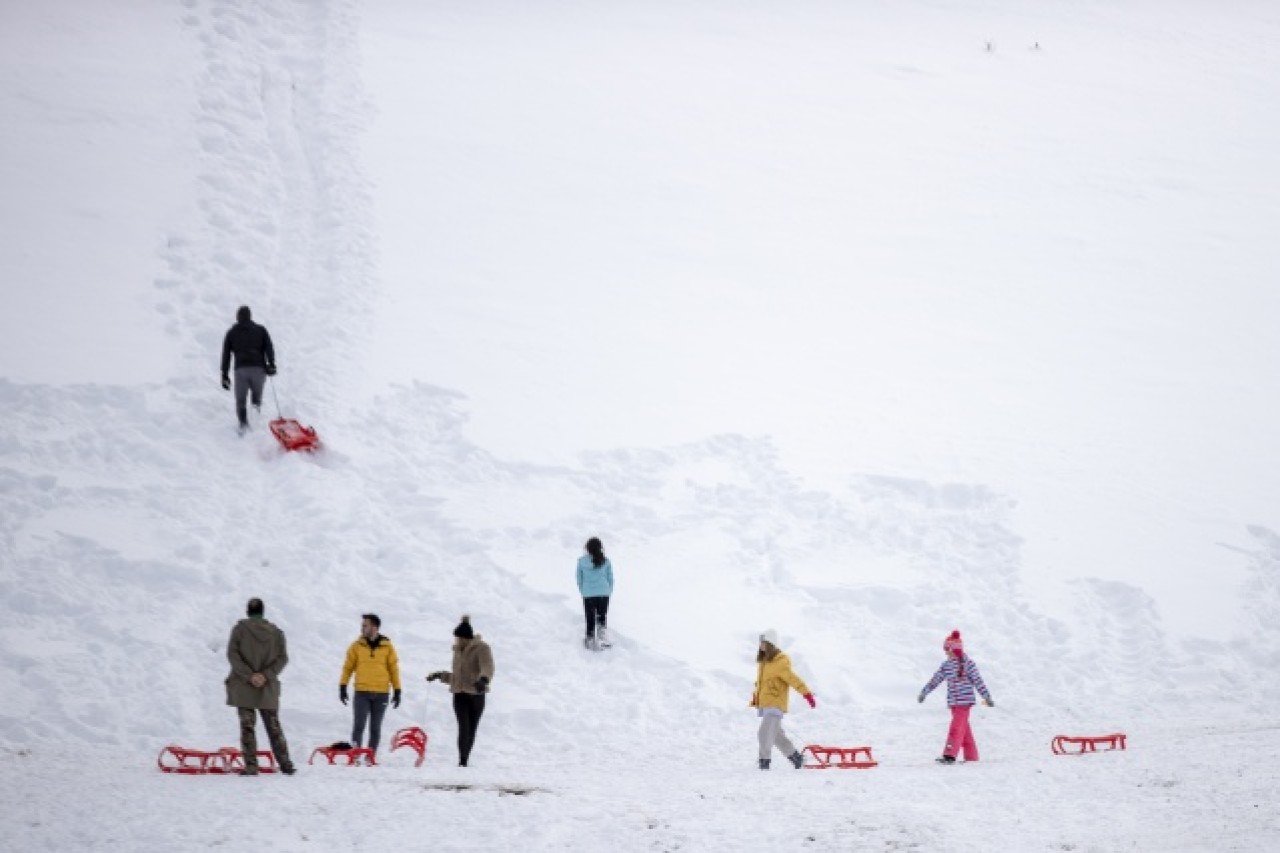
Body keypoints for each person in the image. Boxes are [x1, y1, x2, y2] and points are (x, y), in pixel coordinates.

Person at [225, 597, 296, 775]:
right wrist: (266, 675)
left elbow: (232, 655)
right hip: (268, 687)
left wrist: (250, 675)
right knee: (273, 727)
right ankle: (286, 764)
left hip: (243, 686)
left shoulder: (239, 630)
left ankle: (251, 766)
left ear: (247, 611)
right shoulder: (277, 633)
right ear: (263, 612)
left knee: (247, 727)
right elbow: (283, 658)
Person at [425, 616, 495, 767]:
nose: (455, 641)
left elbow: (487, 666)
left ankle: (465, 759)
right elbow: (457, 677)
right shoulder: (457, 651)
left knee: (471, 729)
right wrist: (439, 675)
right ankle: (462, 761)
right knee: (463, 728)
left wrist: (483, 680)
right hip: (459, 695)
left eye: (457, 638)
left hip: (477, 694)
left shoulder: (482, 648)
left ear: (464, 638)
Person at [918, 629, 994, 764]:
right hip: (953, 703)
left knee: (956, 729)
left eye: (947, 650)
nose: (946, 652)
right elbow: (935, 680)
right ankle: (972, 757)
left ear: (954, 650)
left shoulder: (968, 664)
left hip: (964, 703)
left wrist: (986, 697)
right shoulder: (946, 666)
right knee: (964, 731)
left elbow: (978, 681)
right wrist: (924, 692)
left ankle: (949, 755)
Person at [749, 629, 816, 770]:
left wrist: (807, 694)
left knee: (764, 733)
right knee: (777, 736)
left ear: (770, 643)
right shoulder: (764, 662)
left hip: (775, 704)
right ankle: (797, 759)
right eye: (760, 642)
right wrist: (756, 695)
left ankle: (764, 762)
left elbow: (793, 679)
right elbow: (762, 683)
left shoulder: (780, 661)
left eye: (763, 642)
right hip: (767, 704)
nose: (760, 645)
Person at [339, 613, 402, 761]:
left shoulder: (387, 647)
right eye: (362, 625)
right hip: (362, 693)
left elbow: (393, 670)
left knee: (375, 728)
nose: (362, 628)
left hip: (382, 694)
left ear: (374, 627)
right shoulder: (356, 646)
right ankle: (355, 756)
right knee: (358, 726)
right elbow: (347, 668)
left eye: (365, 626)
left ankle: (370, 757)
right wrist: (342, 686)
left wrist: (397, 691)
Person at [220, 305, 276, 432]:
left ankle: (243, 425)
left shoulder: (231, 333)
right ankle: (255, 424)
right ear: (250, 316)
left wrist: (224, 375)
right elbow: (269, 347)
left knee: (241, 400)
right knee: (256, 398)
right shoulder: (261, 330)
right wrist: (271, 363)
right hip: (258, 369)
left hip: (241, 370)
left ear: (237, 317)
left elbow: (226, 355)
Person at [576, 537, 614, 648]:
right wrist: (608, 590)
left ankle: (590, 640)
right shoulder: (606, 561)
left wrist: (583, 591)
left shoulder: (581, 561)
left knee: (590, 617)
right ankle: (602, 639)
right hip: (603, 593)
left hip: (588, 594)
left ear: (587, 548)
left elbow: (579, 578)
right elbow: (610, 578)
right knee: (602, 616)